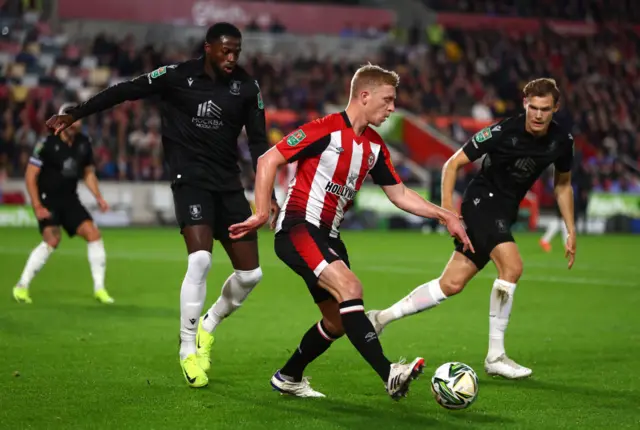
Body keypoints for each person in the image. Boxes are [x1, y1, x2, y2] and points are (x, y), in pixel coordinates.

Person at [45, 23, 279, 388]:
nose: (232, 57)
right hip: (191, 183)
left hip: (229, 187)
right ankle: (187, 348)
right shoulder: (176, 76)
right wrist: (76, 112)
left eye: (237, 51)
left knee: (251, 275)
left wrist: (269, 194)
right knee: (200, 259)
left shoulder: (247, 88)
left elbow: (260, 144)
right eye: (225, 50)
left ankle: (208, 324)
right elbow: (125, 91)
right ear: (208, 48)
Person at [228, 64, 472, 399]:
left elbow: (399, 194)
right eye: (387, 100)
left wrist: (444, 215)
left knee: (337, 321)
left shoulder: (374, 146)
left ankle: (288, 376)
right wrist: (260, 210)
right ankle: (390, 373)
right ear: (364, 95)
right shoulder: (324, 130)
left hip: (329, 237)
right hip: (299, 227)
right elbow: (268, 160)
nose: (392, 108)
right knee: (350, 287)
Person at [367, 78, 577, 379]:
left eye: (545, 109)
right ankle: (496, 355)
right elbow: (452, 164)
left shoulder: (562, 142)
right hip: (482, 201)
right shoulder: (504, 131)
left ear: (555, 108)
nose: (538, 115)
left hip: (505, 210)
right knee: (512, 268)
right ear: (524, 104)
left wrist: (570, 230)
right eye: (533, 107)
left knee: (450, 284)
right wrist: (447, 212)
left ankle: (380, 317)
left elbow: (563, 184)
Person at [13, 103, 112, 304]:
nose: (74, 122)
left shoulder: (83, 143)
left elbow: (88, 173)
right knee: (52, 240)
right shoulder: (47, 144)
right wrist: (37, 206)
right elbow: (30, 176)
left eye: (76, 117)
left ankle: (99, 289)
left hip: (70, 199)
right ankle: (21, 286)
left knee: (93, 234)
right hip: (48, 200)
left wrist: (98, 197)